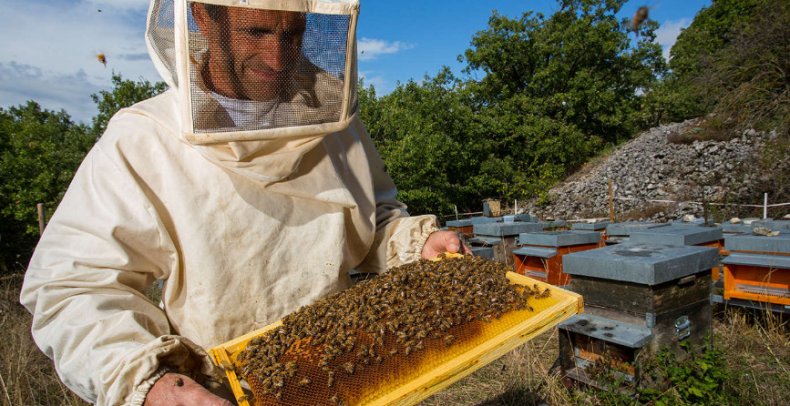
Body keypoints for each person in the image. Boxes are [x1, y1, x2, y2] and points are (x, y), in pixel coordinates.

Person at [20, 1, 468, 405]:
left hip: (347, 368)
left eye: (291, 34)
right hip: (215, 390)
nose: (277, 57)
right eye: (256, 32)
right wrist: (153, 384)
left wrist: (416, 242)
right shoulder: (142, 141)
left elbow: (374, 218)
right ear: (203, 17)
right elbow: (72, 286)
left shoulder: (336, 122)